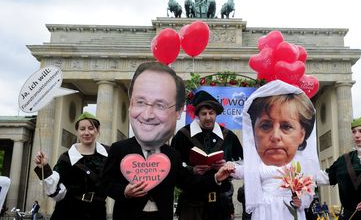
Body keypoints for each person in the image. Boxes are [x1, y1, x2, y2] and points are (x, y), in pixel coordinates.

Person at [100, 62, 234, 220]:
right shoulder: (119, 149)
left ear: (178, 112)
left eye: (160, 105)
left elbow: (189, 183)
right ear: (130, 106)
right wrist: (124, 191)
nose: (148, 115)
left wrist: (216, 178)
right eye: (141, 102)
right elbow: (104, 184)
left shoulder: (172, 155)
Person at [232, 80, 318, 219]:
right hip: (264, 209)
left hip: (289, 210)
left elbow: (309, 189)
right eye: (266, 126)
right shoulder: (259, 160)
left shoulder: (301, 162)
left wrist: (301, 201)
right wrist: (229, 167)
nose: (275, 136)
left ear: (302, 134)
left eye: (286, 126)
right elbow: (245, 171)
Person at [171, 90, 244, 220]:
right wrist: (191, 169)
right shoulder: (182, 136)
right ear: (197, 115)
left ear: (216, 114)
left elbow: (243, 163)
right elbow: (173, 167)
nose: (208, 117)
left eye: (211, 113)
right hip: (192, 203)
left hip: (221, 203)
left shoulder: (229, 136)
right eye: (204, 114)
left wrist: (228, 166)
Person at [33, 112, 109, 220]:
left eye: (91, 128)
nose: (86, 132)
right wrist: (44, 167)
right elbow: (55, 189)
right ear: (77, 132)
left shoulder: (108, 154)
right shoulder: (66, 157)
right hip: (68, 210)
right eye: (82, 129)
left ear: (97, 130)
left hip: (97, 211)